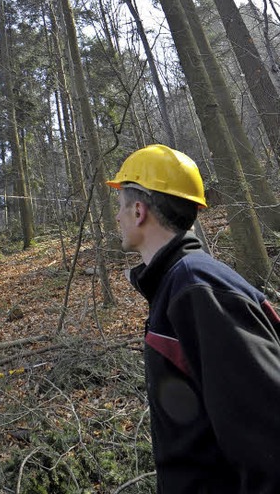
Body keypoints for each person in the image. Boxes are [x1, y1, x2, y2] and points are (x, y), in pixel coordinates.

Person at [107, 143, 280, 494]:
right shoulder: (179, 284)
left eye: (120, 206)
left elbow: (269, 442)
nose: (118, 217)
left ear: (138, 210)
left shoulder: (197, 288)